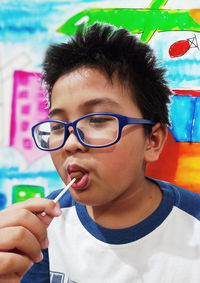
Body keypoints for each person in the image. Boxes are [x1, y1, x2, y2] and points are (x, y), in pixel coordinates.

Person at [1, 22, 200, 283]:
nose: (71, 144)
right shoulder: (40, 230)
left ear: (151, 141)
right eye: (57, 125)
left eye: (97, 119)